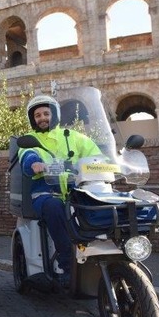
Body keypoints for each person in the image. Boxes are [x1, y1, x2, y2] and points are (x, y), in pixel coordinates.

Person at [18, 94, 101, 287]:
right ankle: (67, 265)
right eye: (37, 115)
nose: (42, 118)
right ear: (33, 119)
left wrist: (105, 164)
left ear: (54, 114)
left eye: (46, 113)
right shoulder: (30, 140)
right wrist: (34, 164)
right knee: (55, 207)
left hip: (76, 191)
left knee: (98, 206)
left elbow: (95, 154)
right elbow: (26, 156)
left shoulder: (74, 137)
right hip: (45, 193)